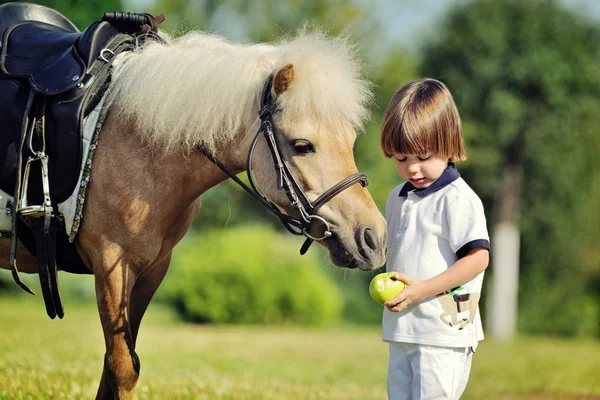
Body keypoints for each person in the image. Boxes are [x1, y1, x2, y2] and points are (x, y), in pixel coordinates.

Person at [379, 78, 490, 400]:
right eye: (401, 159)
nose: (412, 168)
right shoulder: (396, 197)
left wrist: (423, 290)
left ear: (449, 144)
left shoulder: (457, 199)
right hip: (403, 329)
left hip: (444, 331)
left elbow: (478, 257)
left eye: (423, 156)